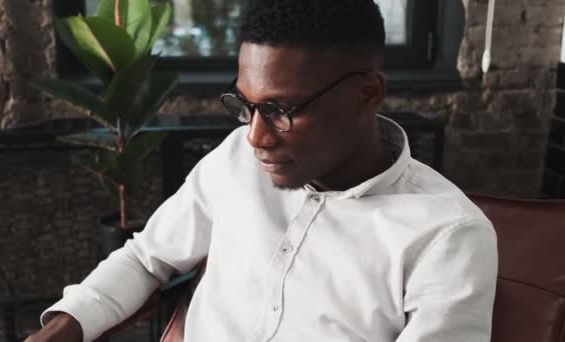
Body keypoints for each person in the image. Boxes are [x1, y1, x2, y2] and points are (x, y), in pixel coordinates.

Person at [26, 0, 498, 341]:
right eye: (246, 105)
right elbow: (148, 258)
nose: (255, 137)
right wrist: (64, 326)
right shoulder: (237, 159)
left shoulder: (447, 236)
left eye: (281, 110)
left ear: (368, 93)